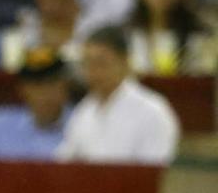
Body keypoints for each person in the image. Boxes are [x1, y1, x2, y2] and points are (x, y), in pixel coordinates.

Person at [57, 24, 182, 161]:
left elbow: (153, 172)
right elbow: (65, 164)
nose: (93, 72)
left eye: (101, 63)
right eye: (87, 63)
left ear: (125, 62)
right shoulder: (84, 111)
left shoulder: (153, 111)